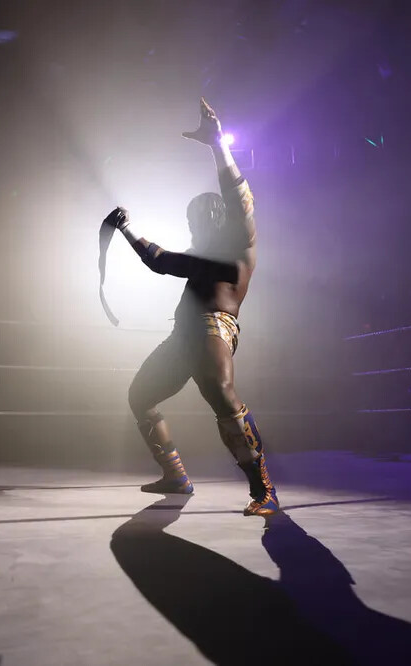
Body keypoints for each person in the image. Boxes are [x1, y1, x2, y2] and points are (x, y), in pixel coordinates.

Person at [104, 98, 278, 516]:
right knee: (140, 395)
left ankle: (264, 490)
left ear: (218, 218)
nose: (194, 225)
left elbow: (239, 200)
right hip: (182, 335)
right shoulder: (199, 259)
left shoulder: (239, 246)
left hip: (213, 327)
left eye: (200, 218)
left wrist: (218, 145)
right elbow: (160, 260)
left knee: (223, 399)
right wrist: (125, 228)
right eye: (190, 219)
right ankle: (176, 476)